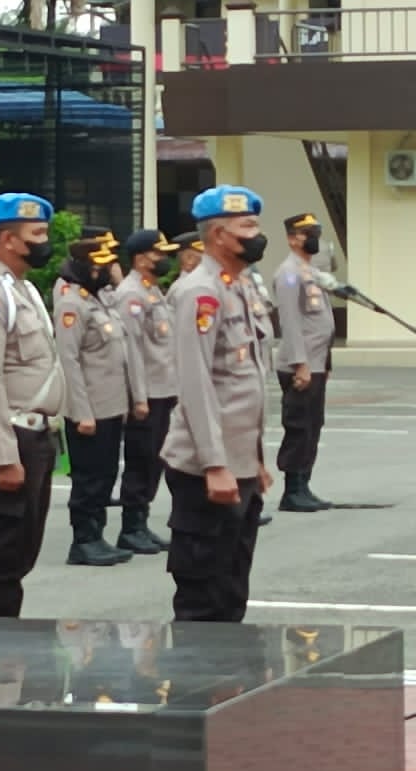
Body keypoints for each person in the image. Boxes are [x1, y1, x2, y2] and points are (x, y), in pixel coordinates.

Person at [160, 185, 272, 622]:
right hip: (206, 467)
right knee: (203, 591)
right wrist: (215, 463)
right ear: (220, 235)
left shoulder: (238, 286)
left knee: (231, 587)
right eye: (247, 226)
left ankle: (229, 685)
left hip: (238, 462)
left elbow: (245, 383)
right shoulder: (199, 292)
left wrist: (254, 459)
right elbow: (195, 382)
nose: (256, 234)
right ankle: (195, 687)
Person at [0, 193, 65, 617]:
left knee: (23, 552)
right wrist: (3, 457)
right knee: (3, 555)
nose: (43, 241)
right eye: (35, 234)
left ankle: (7, 639)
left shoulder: (21, 289)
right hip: (9, 437)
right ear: (7, 240)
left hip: (35, 435)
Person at [55, 233, 145, 566]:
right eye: (104, 265)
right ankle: (84, 540)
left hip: (110, 406)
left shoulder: (99, 301)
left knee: (106, 474)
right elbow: (70, 362)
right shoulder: (71, 304)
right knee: (89, 478)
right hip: (89, 408)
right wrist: (81, 412)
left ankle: (98, 535)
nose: (110, 271)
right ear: (90, 269)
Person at [112, 229, 181, 554]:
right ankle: (131, 526)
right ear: (141, 259)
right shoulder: (131, 295)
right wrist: (138, 396)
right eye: (158, 254)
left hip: (163, 390)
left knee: (154, 461)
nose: (164, 259)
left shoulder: (152, 291)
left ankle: (141, 522)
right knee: (141, 461)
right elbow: (133, 352)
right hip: (148, 394)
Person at [273, 213, 337, 512]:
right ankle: (292, 490)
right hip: (300, 364)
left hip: (316, 362)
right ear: (291, 238)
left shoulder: (310, 270)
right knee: (299, 426)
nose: (313, 237)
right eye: (306, 232)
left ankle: (305, 485)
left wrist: (325, 362)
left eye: (315, 231)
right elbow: (291, 322)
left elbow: (321, 322)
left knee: (313, 424)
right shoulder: (288, 273)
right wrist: (300, 364)